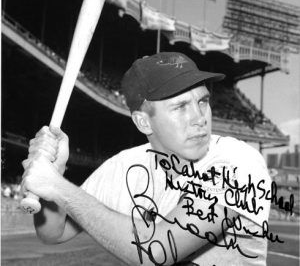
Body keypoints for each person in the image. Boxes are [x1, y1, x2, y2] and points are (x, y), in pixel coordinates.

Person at [22, 52, 272, 266]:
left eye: (203, 101)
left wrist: (58, 187)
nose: (200, 117)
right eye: (180, 107)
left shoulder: (237, 161)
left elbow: (158, 250)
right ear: (143, 121)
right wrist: (55, 173)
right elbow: (53, 232)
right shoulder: (123, 166)